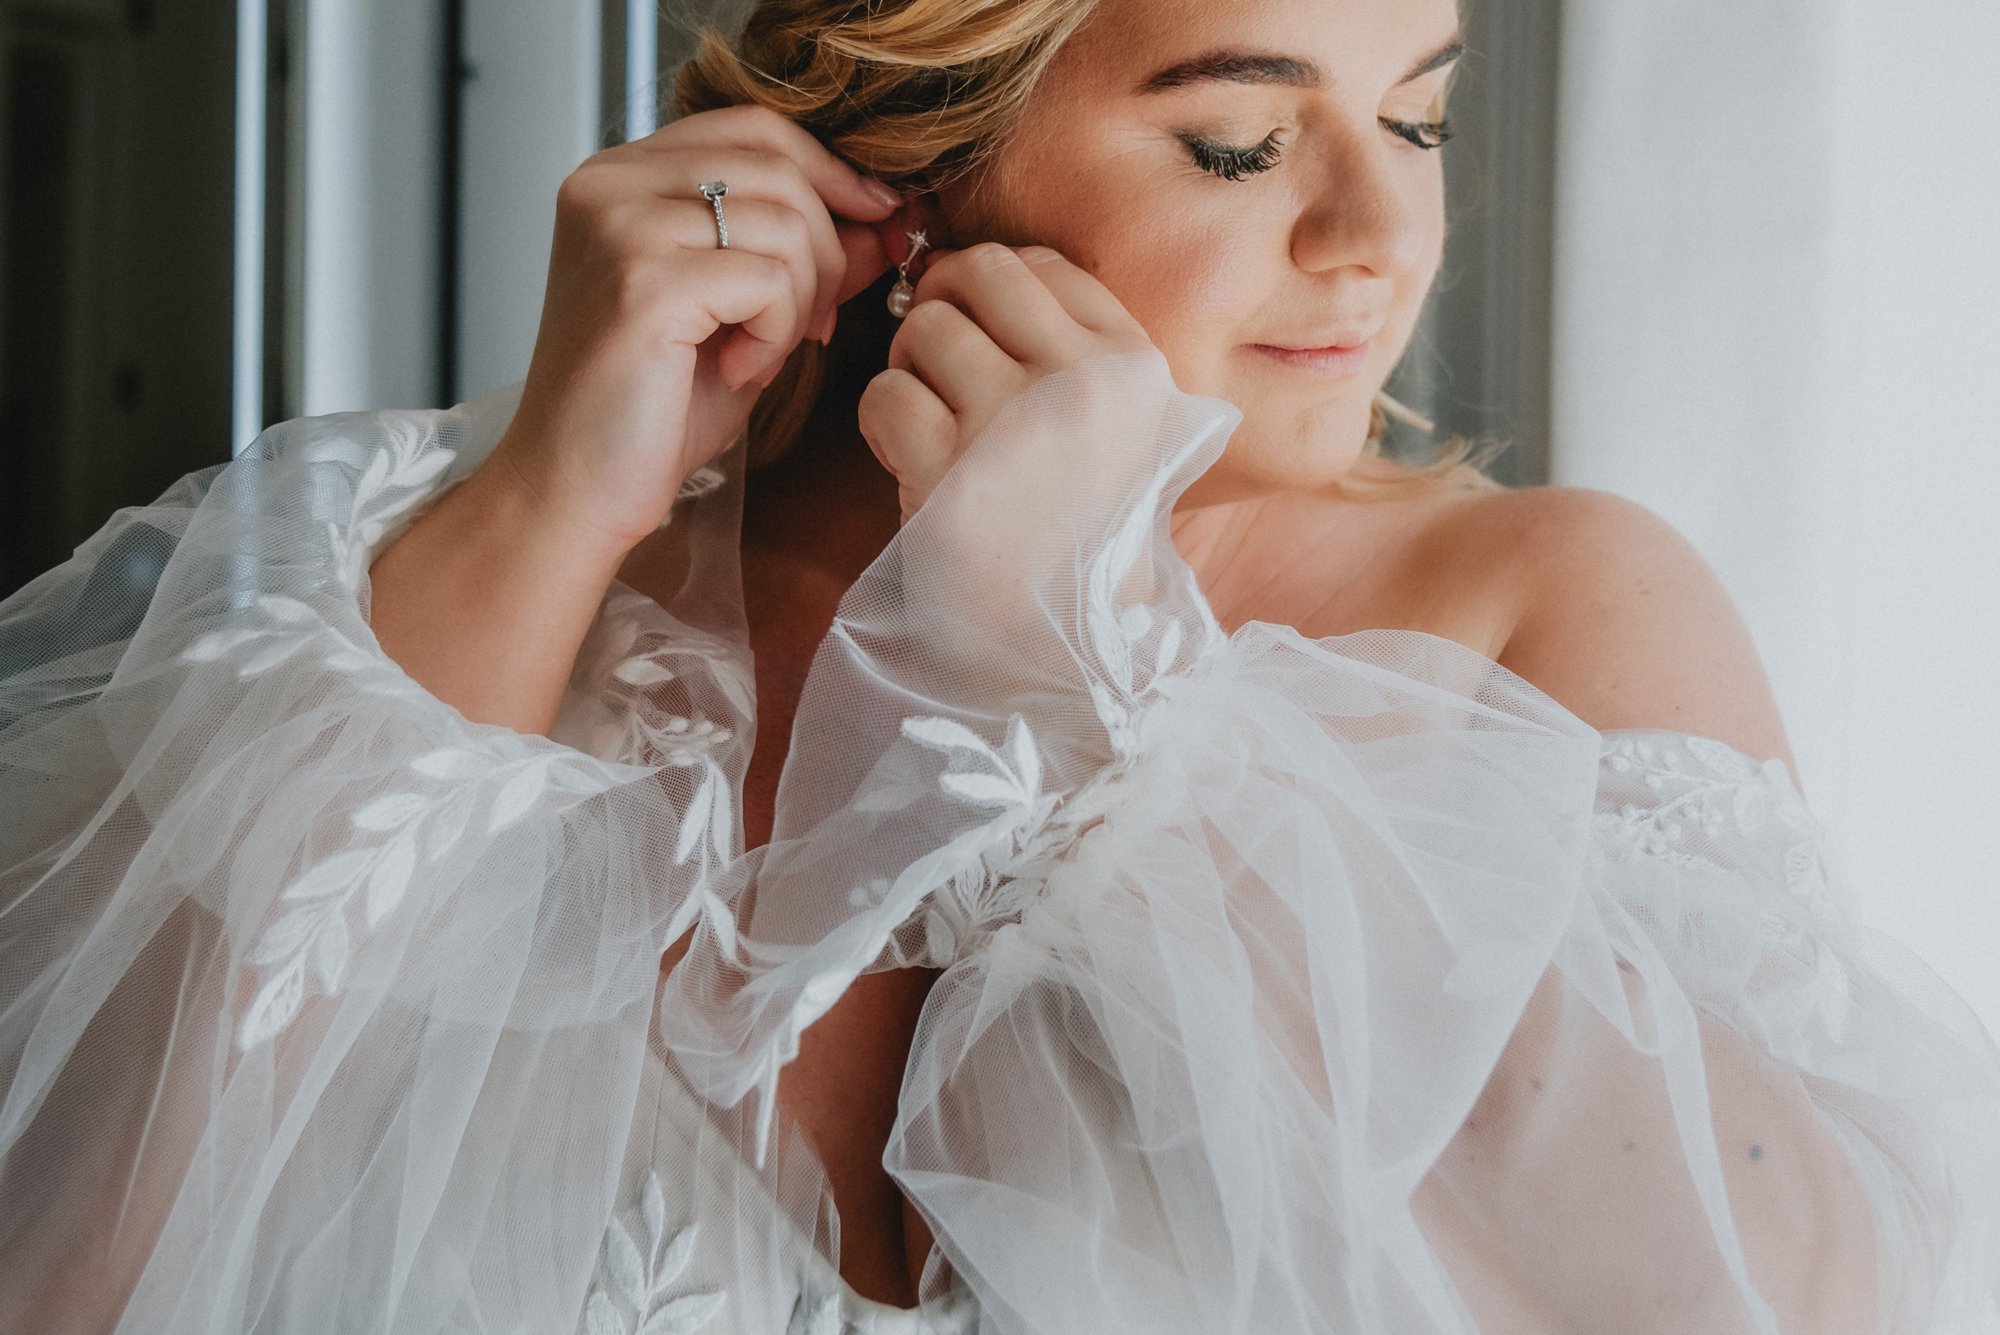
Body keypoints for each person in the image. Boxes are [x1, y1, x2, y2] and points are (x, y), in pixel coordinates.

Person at [2, 0, 1996, 1330]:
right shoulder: (417, 569)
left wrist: (1120, 705)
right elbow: (70, 1260)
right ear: (904, 163)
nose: (1381, 232)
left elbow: (1806, 1292)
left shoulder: (1534, 604)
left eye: (1419, 117)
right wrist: (540, 507)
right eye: (1238, 140)